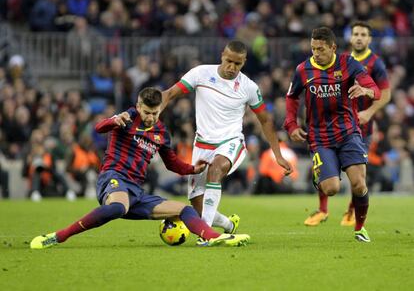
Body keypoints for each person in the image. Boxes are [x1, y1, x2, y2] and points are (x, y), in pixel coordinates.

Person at [30, 87, 250, 249]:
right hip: (113, 178)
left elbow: (172, 163)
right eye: (146, 112)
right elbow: (98, 128)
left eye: (155, 113)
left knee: (185, 210)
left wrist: (193, 169)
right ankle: (59, 236)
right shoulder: (126, 119)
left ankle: (213, 237)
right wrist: (114, 120)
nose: (150, 117)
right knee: (118, 207)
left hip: (136, 191)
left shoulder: (161, 132)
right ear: (138, 107)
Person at [161, 40, 292, 243]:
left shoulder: (248, 87)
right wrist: (151, 113)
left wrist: (278, 155)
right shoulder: (200, 74)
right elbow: (169, 94)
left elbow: (265, 120)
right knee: (197, 203)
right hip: (202, 145)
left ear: (244, 62)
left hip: (231, 142)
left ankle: (205, 237)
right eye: (228, 61)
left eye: (237, 64)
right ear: (222, 55)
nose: (232, 67)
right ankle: (228, 225)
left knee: (215, 170)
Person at [284, 27, 380, 242]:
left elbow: (374, 88)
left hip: (348, 133)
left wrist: (366, 90)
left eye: (320, 49)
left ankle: (360, 228)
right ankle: (321, 174)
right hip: (319, 137)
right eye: (313, 49)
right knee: (332, 188)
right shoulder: (303, 69)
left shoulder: (348, 64)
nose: (316, 53)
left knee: (359, 183)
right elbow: (291, 97)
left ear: (333, 48)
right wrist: (291, 124)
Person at [303, 21, 390, 227]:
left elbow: (385, 93)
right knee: (325, 168)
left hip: (361, 126)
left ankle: (352, 211)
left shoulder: (375, 63)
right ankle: (323, 209)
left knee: (356, 174)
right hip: (330, 126)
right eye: (356, 34)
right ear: (350, 38)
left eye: (363, 34)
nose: (359, 38)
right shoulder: (339, 61)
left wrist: (369, 112)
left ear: (369, 39)